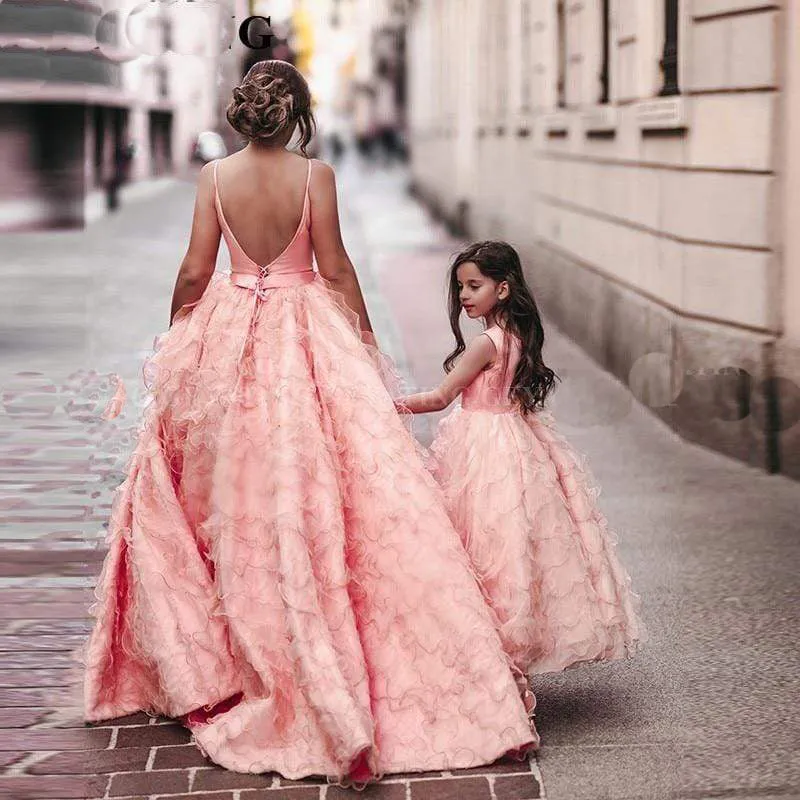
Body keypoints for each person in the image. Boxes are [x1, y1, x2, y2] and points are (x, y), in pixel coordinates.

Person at [82, 62, 538, 785]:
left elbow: (198, 270)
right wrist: (360, 342)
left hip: (231, 328)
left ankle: (236, 638)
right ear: (295, 114)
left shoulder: (214, 179)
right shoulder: (314, 176)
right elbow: (336, 266)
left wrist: (179, 334)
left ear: (242, 114)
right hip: (304, 328)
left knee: (232, 482)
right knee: (332, 474)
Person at [394, 241, 646, 682]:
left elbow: (439, 397)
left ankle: (491, 653)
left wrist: (385, 404)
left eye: (475, 286)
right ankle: (508, 649)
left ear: (504, 288)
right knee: (512, 543)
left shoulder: (485, 344)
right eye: (461, 287)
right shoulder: (517, 336)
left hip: (482, 445)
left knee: (480, 541)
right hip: (514, 440)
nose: (465, 296)